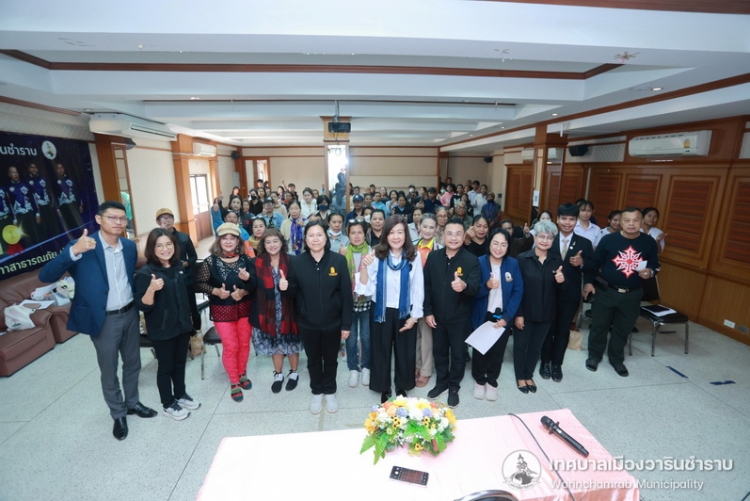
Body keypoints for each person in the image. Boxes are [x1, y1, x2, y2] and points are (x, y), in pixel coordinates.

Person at [39, 201, 157, 441]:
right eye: (112, 217)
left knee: (133, 363)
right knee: (109, 368)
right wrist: (73, 251)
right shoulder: (83, 246)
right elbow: (46, 276)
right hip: (104, 319)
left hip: (130, 313)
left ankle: (132, 403)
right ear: (98, 219)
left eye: (122, 218)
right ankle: (118, 413)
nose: (118, 222)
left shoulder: (128, 246)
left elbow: (129, 277)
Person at [281, 220, 353, 414]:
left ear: (326, 237)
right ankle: (316, 390)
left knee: (330, 359)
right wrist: (284, 287)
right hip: (308, 323)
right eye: (311, 235)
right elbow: (292, 293)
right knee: (313, 359)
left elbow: (346, 295)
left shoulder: (338, 261)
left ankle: (330, 391)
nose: (315, 239)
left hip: (333, 322)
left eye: (319, 234)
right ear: (305, 239)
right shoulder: (297, 262)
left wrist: (346, 324)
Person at [583, 207, 660, 377]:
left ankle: (617, 359)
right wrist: (588, 282)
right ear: (621, 222)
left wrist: (650, 272)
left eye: (635, 220)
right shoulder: (608, 240)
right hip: (607, 291)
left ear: (641, 222)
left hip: (632, 293)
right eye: (627, 220)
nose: (631, 224)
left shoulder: (648, 242)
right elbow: (594, 264)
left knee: (623, 328)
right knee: (599, 325)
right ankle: (594, 356)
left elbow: (655, 265)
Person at [134, 228, 200, 420]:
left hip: (182, 325)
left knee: (180, 363)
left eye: (168, 244)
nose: (165, 249)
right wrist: (151, 289)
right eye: (159, 246)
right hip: (162, 329)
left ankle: (180, 394)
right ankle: (168, 403)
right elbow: (142, 305)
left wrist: (188, 321)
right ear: (152, 249)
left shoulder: (178, 266)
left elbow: (183, 297)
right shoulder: (146, 273)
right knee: (166, 367)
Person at [357, 215, 424, 403]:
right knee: (381, 349)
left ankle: (402, 386)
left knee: (405, 351)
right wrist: (364, 267)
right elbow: (365, 288)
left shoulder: (414, 255)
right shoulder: (376, 254)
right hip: (381, 311)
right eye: (392, 232)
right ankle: (383, 387)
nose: (396, 237)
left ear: (406, 234)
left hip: (405, 311)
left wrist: (414, 317)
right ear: (386, 235)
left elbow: (418, 286)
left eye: (400, 232)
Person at [195, 223, 255, 402]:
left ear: (238, 241)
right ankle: (234, 381)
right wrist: (215, 291)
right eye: (224, 238)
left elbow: (255, 284)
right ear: (219, 241)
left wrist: (244, 290)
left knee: (244, 344)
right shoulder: (210, 261)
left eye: (232, 238)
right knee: (231, 346)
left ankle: (242, 373)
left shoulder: (246, 259)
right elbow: (199, 284)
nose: (228, 241)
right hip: (222, 311)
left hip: (244, 309)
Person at [423, 218, 481, 408]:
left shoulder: (471, 260)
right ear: (443, 235)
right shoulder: (434, 257)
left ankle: (454, 386)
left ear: (464, 236)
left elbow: (475, 287)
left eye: (458, 234)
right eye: (449, 233)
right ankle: (442, 382)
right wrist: (428, 311)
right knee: (439, 352)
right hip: (437, 317)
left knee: (458, 354)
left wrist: (464, 285)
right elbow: (426, 286)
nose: (453, 238)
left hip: (460, 319)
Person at [539, 203, 596, 383]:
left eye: (571, 219)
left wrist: (582, 263)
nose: (567, 222)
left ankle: (557, 364)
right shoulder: (548, 239)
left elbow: (593, 268)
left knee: (563, 331)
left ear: (576, 220)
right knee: (547, 330)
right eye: (564, 218)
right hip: (548, 294)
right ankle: (545, 362)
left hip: (570, 295)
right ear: (557, 219)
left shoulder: (584, 243)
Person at [470, 229, 523, 401]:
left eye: (503, 244)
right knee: (480, 349)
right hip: (483, 314)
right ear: (489, 243)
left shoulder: (513, 264)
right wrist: (486, 286)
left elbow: (518, 292)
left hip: (503, 316)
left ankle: (492, 381)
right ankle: (479, 379)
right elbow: (473, 291)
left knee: (498, 351)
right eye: (495, 243)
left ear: (508, 247)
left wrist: (507, 317)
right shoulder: (479, 262)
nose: (498, 248)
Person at [514, 221, 565, 394]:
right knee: (521, 346)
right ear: (535, 237)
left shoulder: (556, 260)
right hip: (525, 312)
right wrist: (518, 314)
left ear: (553, 240)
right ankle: (520, 376)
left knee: (536, 347)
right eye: (541, 236)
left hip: (546, 313)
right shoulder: (522, 259)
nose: (545, 240)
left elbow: (560, 291)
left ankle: (529, 374)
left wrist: (561, 281)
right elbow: (517, 289)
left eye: (549, 237)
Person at [251, 228, 300, 393]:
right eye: (268, 242)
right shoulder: (257, 262)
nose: (272, 245)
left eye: (275, 241)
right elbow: (252, 286)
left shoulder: (292, 261)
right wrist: (245, 280)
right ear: (263, 244)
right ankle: (278, 374)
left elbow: (298, 287)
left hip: (289, 310)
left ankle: (294, 372)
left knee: (291, 343)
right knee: (275, 343)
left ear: (281, 242)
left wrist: (288, 286)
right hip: (268, 313)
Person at [155, 208, 201, 334]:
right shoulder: (155, 240)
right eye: (163, 218)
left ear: (173, 219)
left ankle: (196, 333)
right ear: (158, 222)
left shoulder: (183, 237)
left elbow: (193, 256)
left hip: (185, 278)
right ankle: (180, 333)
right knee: (174, 308)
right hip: (167, 280)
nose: (167, 221)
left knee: (192, 307)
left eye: (169, 217)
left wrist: (186, 263)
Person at [413, 213, 441, 387]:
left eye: (432, 227)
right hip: (413, 296)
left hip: (429, 297)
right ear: (419, 227)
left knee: (426, 336)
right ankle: (416, 365)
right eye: (425, 226)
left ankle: (425, 370)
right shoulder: (412, 247)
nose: (428, 230)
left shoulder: (439, 249)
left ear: (436, 229)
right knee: (414, 334)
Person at [343, 220, 372, 388]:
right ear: (348, 235)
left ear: (365, 233)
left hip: (367, 302)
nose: (356, 236)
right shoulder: (343, 252)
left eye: (360, 232)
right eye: (353, 232)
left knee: (366, 337)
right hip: (349, 302)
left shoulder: (371, 252)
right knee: (351, 338)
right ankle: (353, 368)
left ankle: (366, 366)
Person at [7, 165, 41, 246]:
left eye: (16, 172)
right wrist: (14, 220)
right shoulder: (8, 188)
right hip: (19, 217)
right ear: (9, 175)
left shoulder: (25, 184)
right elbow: (10, 205)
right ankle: (32, 253)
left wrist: (37, 213)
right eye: (13, 173)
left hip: (30, 214)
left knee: (36, 236)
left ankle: (41, 252)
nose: (15, 174)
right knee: (26, 239)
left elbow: (33, 199)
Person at [27, 162, 59, 241]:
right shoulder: (27, 182)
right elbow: (30, 199)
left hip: (48, 206)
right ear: (29, 169)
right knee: (43, 230)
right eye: (31, 167)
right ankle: (47, 248)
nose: (34, 169)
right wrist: (37, 213)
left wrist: (55, 207)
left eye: (35, 167)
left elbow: (50, 192)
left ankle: (60, 244)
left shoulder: (43, 179)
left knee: (54, 226)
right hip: (38, 209)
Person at [52, 162, 84, 232]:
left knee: (78, 224)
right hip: (63, 207)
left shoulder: (70, 179)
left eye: (61, 168)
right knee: (68, 226)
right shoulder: (54, 182)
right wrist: (57, 209)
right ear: (56, 170)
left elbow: (77, 191)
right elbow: (54, 196)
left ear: (64, 168)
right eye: (58, 168)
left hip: (73, 205)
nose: (60, 170)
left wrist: (80, 204)